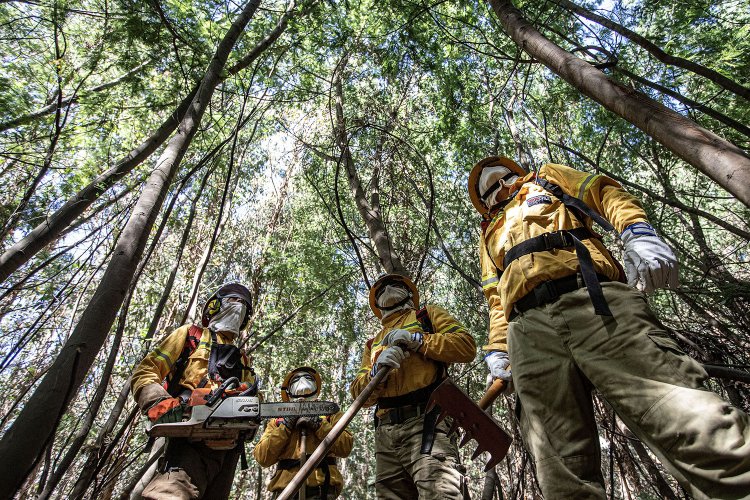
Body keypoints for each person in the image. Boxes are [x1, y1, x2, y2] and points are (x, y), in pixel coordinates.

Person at [469, 156, 750, 499]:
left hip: (592, 298)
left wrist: (637, 230)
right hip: (528, 333)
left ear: (516, 173)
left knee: (681, 414)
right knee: (559, 465)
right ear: (482, 203)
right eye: (489, 190)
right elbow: (496, 299)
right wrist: (498, 349)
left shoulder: (546, 179)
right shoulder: (488, 235)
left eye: (502, 179)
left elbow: (605, 193)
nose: (498, 188)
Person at [350, 273, 476, 499]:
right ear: (377, 304)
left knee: (440, 494)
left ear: (409, 294)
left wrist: (418, 341)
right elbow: (360, 396)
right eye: (381, 290)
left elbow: (466, 346)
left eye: (395, 285)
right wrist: (375, 372)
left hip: (427, 422)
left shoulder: (427, 316)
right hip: (386, 434)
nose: (388, 288)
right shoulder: (373, 343)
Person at [131, 283, 259, 500]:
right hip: (189, 434)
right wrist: (159, 402)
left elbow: (252, 399)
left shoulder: (243, 358)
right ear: (215, 306)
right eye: (233, 301)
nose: (238, 307)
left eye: (243, 305)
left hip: (227, 448)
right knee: (170, 494)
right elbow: (145, 371)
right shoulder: (193, 334)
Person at [254, 367, 353, 499]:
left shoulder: (330, 414)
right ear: (288, 391)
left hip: (321, 491)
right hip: (286, 491)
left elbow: (345, 447)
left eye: (308, 378)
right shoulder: (278, 420)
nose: (302, 381)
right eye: (296, 379)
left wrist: (319, 424)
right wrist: (286, 426)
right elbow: (262, 457)